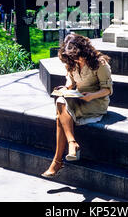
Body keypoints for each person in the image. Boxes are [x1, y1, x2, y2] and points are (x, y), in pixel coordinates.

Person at [41, 33, 113, 178]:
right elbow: (70, 81)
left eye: (77, 56)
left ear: (84, 50)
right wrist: (66, 89)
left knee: (60, 117)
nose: (75, 59)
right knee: (60, 100)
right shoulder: (71, 61)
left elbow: (108, 90)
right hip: (78, 98)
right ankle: (71, 143)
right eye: (72, 57)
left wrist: (91, 96)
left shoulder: (100, 63)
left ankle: (57, 161)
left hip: (96, 102)